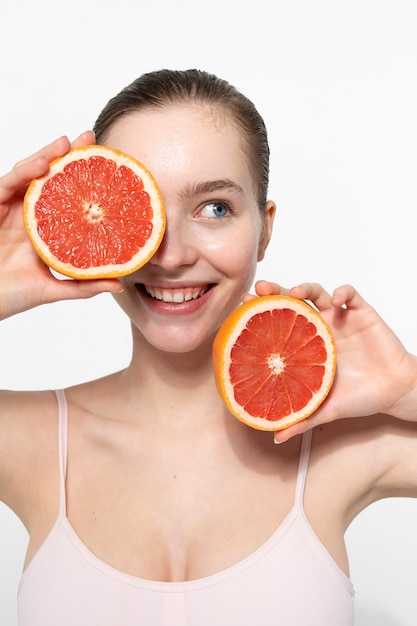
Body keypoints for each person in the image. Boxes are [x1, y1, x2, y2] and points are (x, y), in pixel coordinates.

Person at [0, 69, 416, 626]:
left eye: (214, 207)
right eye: (141, 210)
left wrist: (411, 387)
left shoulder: (341, 450)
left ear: (264, 230)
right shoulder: (35, 442)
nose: (170, 256)